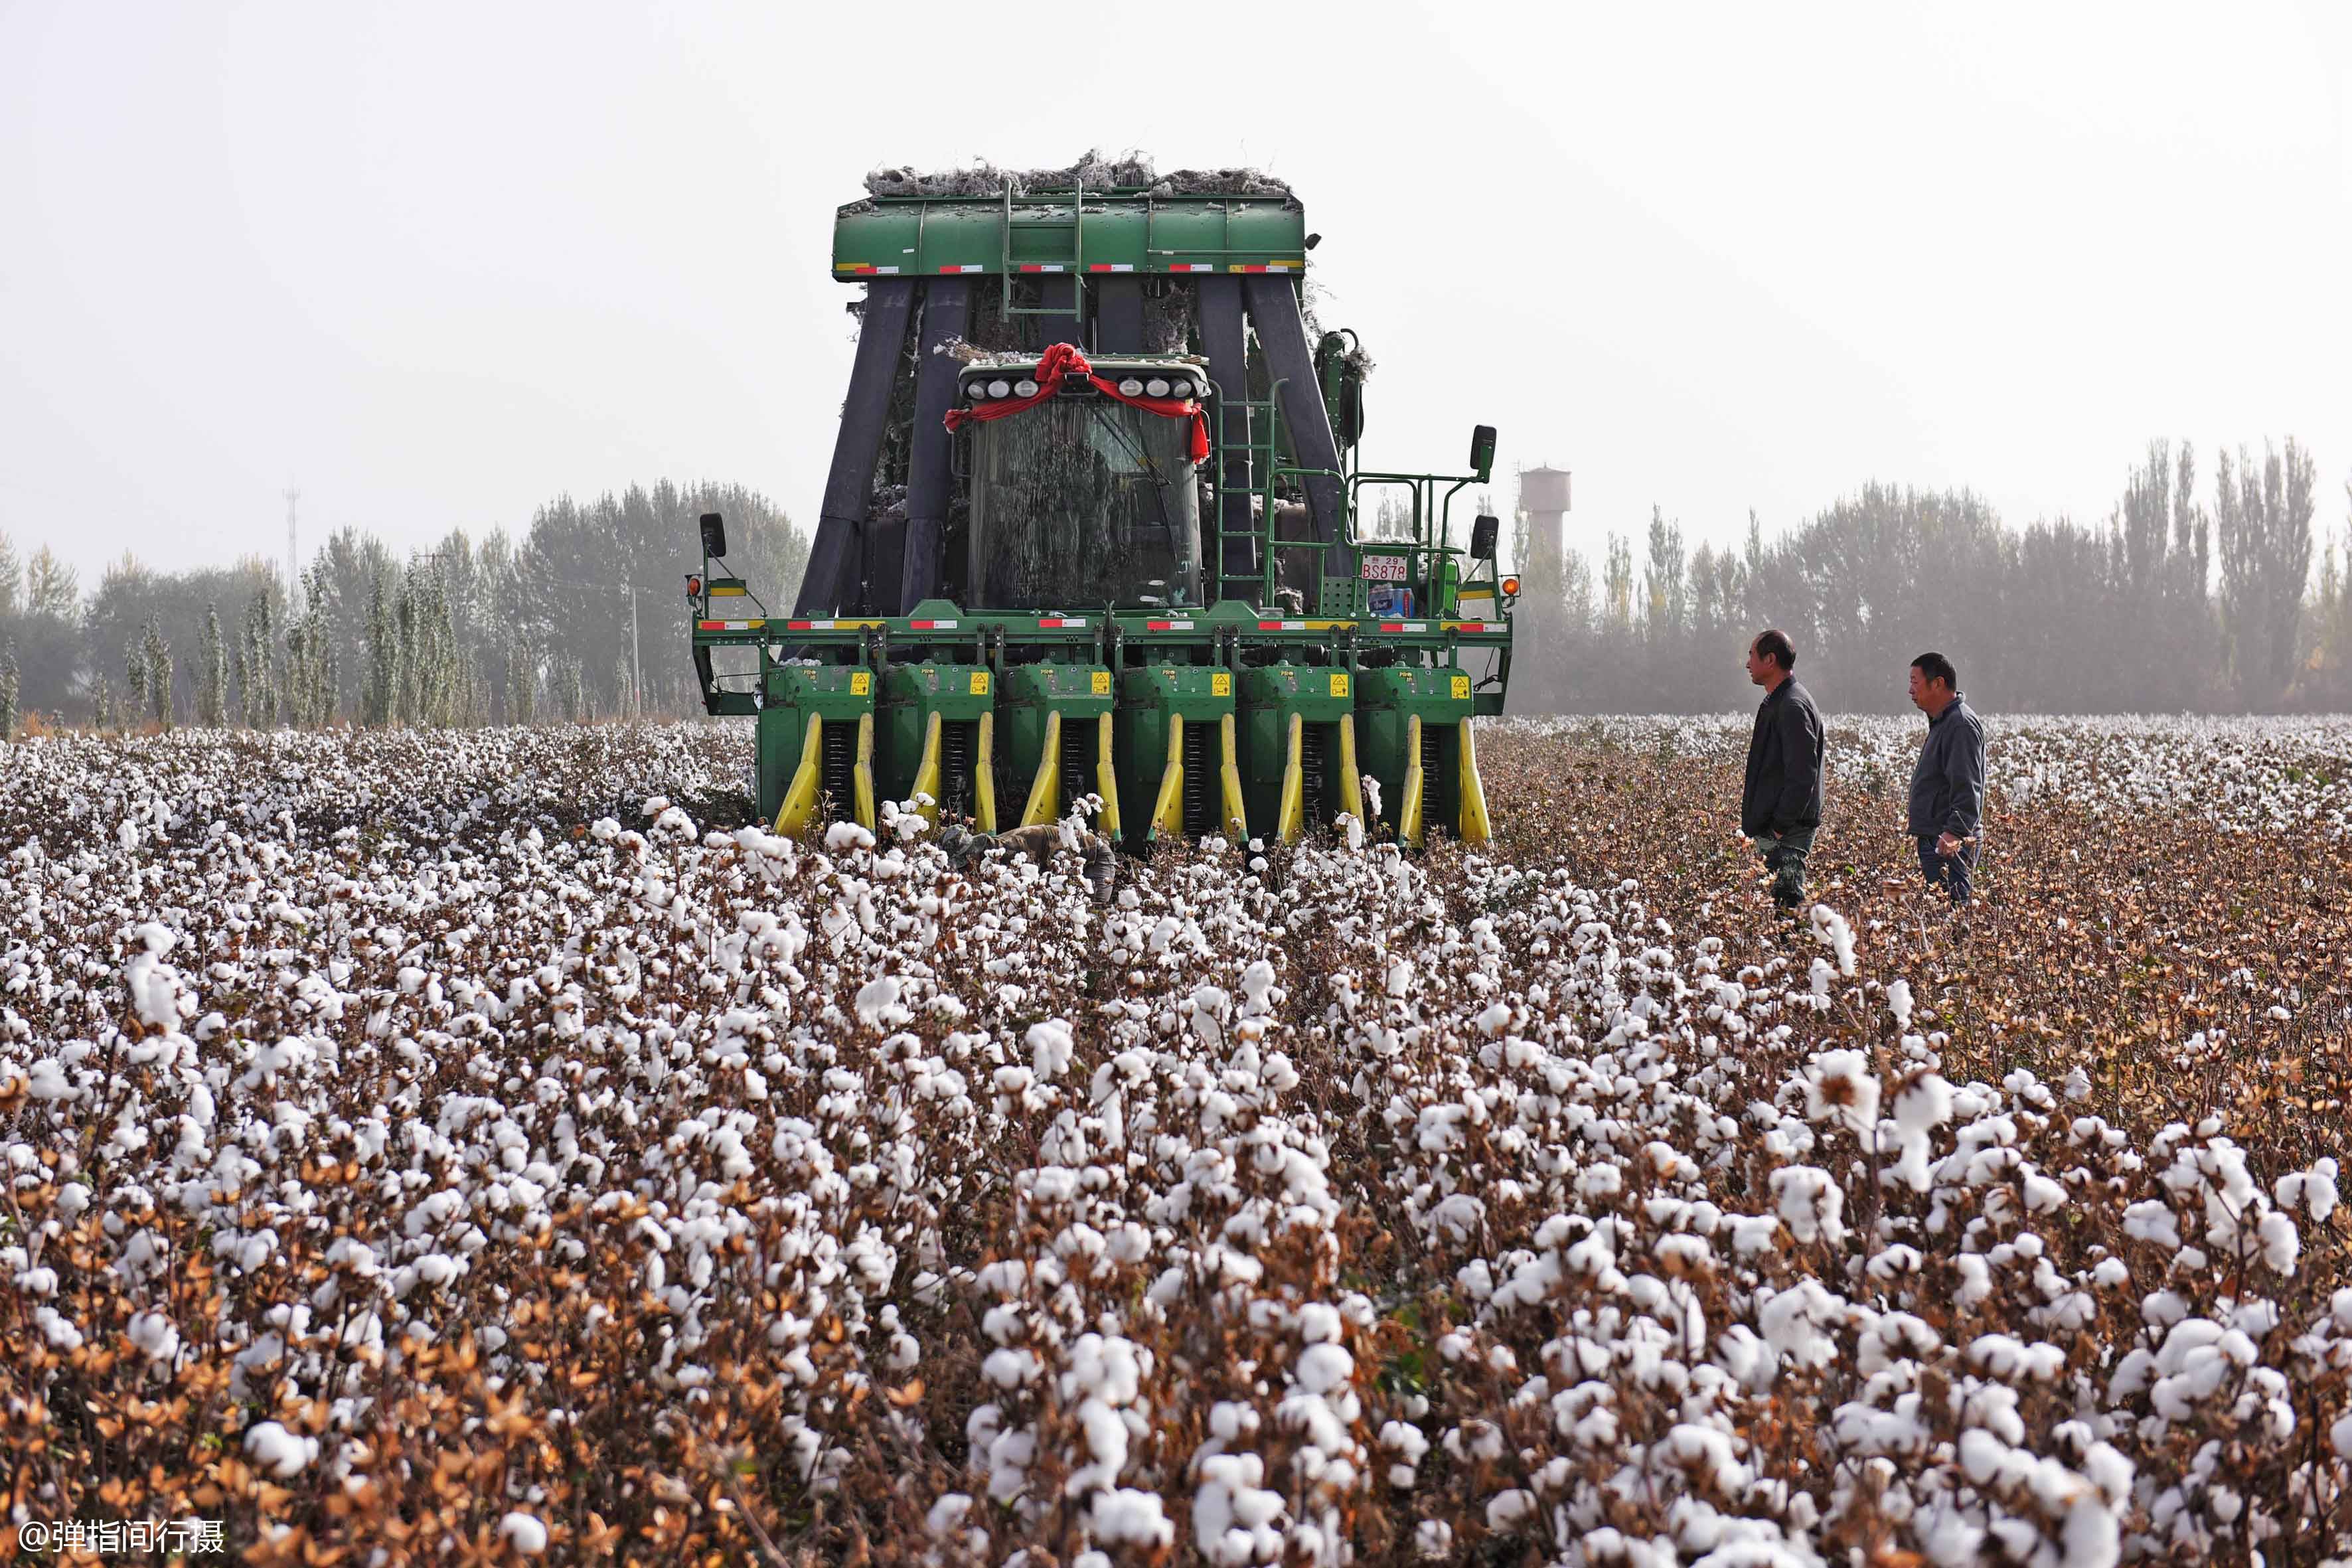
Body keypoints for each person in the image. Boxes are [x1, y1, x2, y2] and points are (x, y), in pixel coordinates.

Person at [1740, 629, 1826, 910]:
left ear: (1770, 660)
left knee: (1786, 912)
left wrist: (1778, 827)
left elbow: (1803, 775)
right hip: (1783, 829)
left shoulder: (1792, 706)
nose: (1747, 663)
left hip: (1789, 832)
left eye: (1752, 655)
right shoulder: (1780, 701)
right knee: (1779, 910)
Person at [1907, 651, 1985, 903]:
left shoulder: (1960, 725)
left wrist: (1954, 832)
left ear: (1938, 683)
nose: (1910, 690)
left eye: (1915, 682)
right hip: (1939, 840)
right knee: (1942, 915)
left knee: (1953, 917)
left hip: (1949, 844)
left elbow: (1968, 787)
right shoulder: (1945, 722)